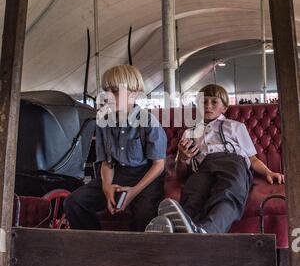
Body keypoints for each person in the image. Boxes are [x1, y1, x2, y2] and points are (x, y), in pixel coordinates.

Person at [146, 84, 284, 234]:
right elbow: (181, 175)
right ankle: (185, 229)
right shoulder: (189, 133)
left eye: (214, 102)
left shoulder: (235, 127)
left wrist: (268, 172)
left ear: (224, 108)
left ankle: (206, 230)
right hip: (202, 168)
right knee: (193, 195)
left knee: (228, 193)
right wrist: (183, 159)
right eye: (203, 102)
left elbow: (252, 159)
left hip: (232, 162)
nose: (208, 106)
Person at [64, 65, 167, 232]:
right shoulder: (103, 123)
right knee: (74, 202)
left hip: (145, 177)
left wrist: (133, 192)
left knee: (143, 214)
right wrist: (106, 187)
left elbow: (158, 165)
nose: (108, 96)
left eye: (115, 91)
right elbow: (107, 163)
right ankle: (96, 245)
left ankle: (138, 253)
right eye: (106, 91)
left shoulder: (149, 122)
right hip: (117, 174)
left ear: (133, 94)